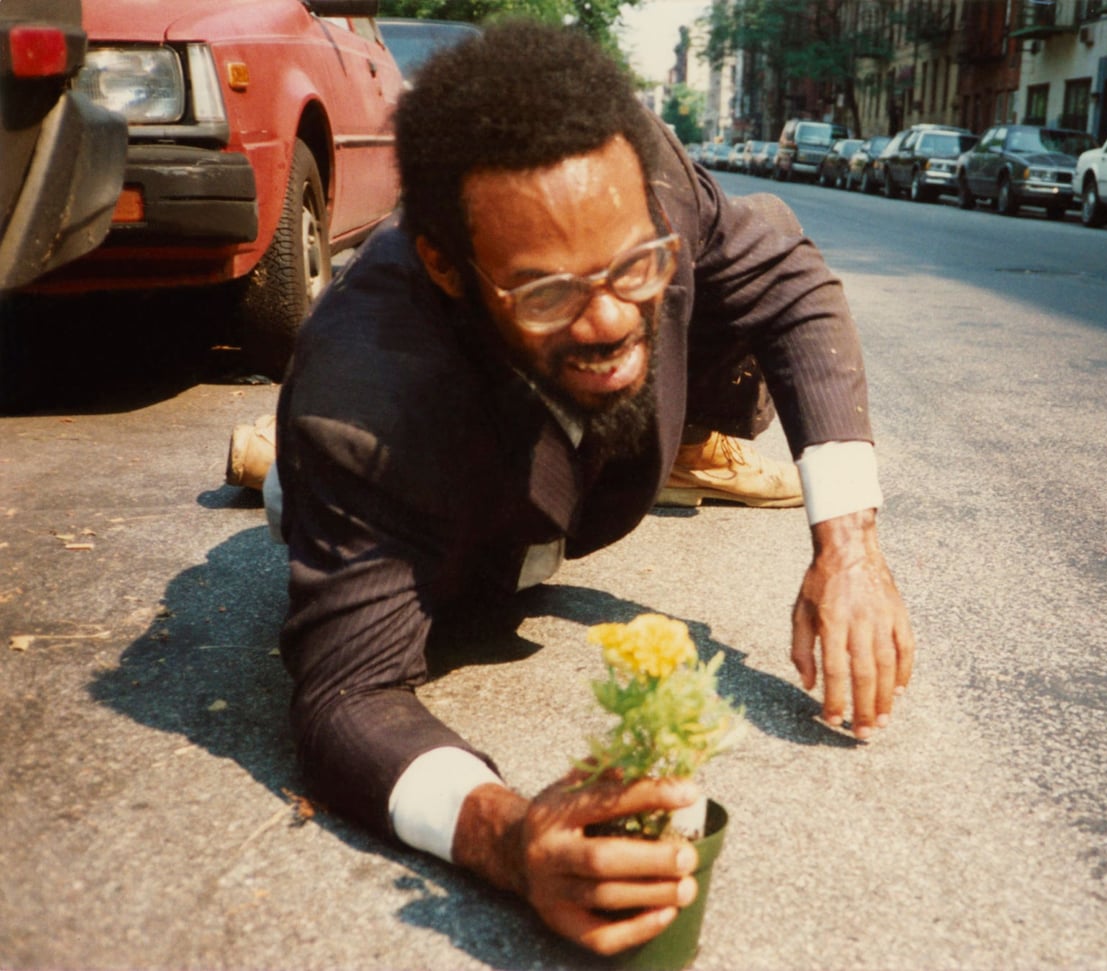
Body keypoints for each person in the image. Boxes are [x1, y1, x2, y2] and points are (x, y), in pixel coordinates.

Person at [272, 19, 915, 957]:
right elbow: (347, 695)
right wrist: (509, 838)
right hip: (410, 488)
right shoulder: (364, 409)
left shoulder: (645, 178)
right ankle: (279, 472)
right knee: (342, 499)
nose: (611, 319)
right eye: (547, 292)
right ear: (447, 267)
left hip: (544, 451)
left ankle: (673, 441)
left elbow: (789, 279)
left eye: (634, 263)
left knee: (697, 292)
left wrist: (848, 544)